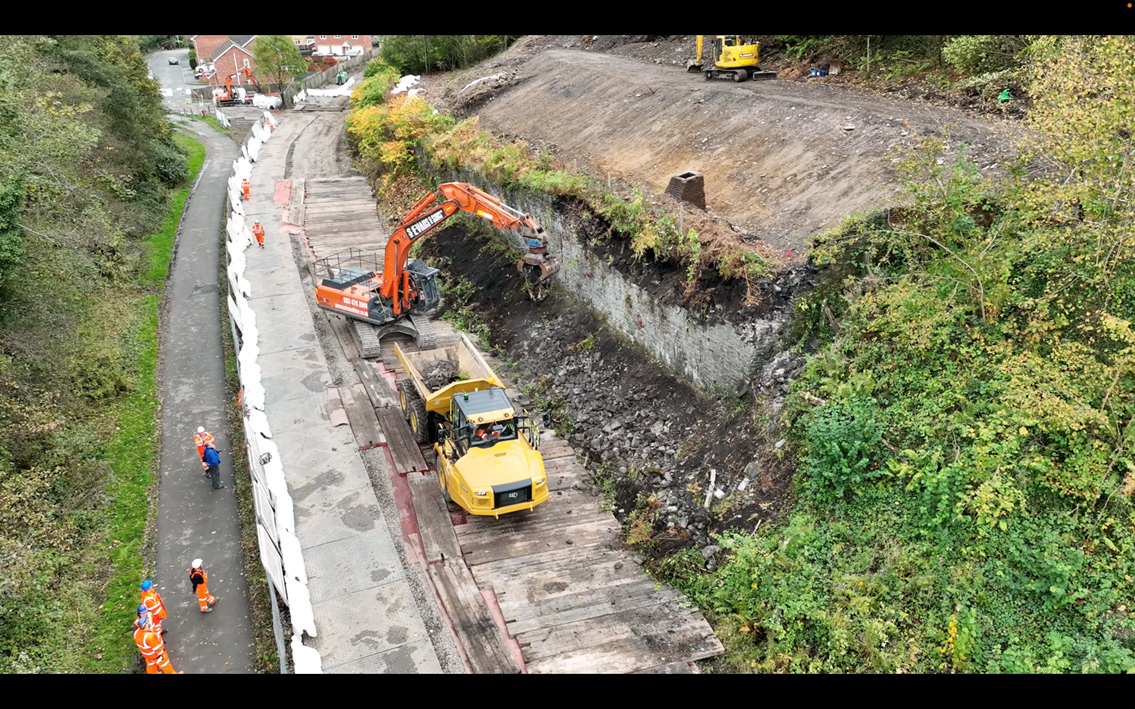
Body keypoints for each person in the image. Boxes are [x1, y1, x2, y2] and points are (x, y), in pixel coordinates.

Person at [134, 606, 181, 674]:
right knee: (166, 667)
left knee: (151, 668)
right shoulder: (149, 637)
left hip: (148, 656)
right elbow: (156, 648)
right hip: (156, 656)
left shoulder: (137, 633)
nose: (149, 624)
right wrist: (162, 654)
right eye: (147, 624)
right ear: (145, 626)